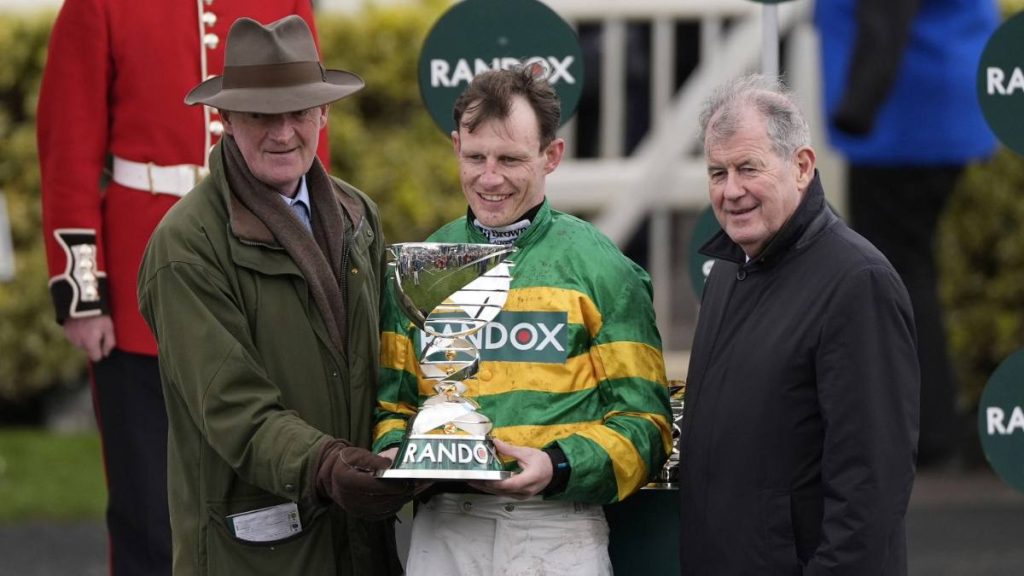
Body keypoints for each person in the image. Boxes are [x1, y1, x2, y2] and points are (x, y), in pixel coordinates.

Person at [37, 2, 328, 574]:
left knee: (267, 501)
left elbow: (308, 137)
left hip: (259, 271)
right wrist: (83, 292)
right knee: (148, 506)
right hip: (139, 283)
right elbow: (68, 149)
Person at [137, 16, 412, 575]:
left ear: (324, 114)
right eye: (262, 115)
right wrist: (328, 465)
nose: (283, 133)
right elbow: (234, 407)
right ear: (226, 120)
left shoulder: (359, 214)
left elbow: (393, 359)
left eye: (299, 112)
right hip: (251, 553)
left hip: (360, 543)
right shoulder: (185, 247)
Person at [373, 66, 673, 575]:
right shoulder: (418, 268)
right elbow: (390, 407)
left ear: (550, 156)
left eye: (510, 159)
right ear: (456, 149)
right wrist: (402, 460)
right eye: (476, 157)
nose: (490, 178)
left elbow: (648, 426)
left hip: (557, 527)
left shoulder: (603, 268)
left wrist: (556, 466)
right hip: (444, 526)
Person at [678, 75, 920, 574]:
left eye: (749, 168)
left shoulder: (858, 282)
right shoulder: (728, 270)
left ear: (802, 166)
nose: (731, 190)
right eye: (717, 172)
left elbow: (870, 490)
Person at [815, 0, 999, 466]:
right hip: (934, 105)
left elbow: (885, 18)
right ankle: (926, 429)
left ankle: (919, 435)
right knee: (909, 270)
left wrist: (855, 108)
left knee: (894, 277)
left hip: (901, 118)